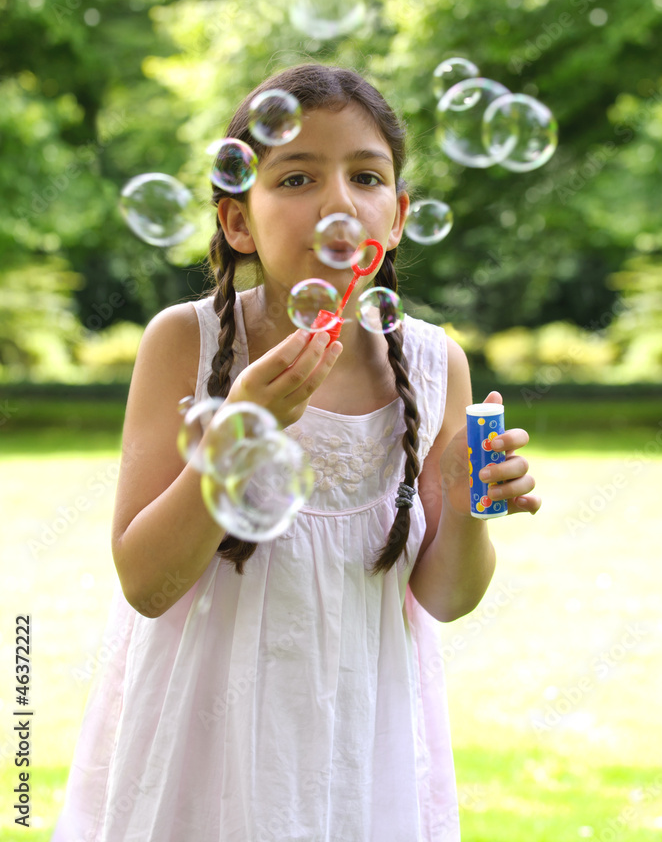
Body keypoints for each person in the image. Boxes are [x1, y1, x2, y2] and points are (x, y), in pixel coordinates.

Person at [52, 63, 540, 842]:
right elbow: (146, 582)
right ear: (238, 222)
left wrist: (468, 500)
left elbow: (446, 598)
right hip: (203, 730)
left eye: (367, 177)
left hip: (358, 729)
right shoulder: (187, 341)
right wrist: (243, 429)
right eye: (297, 178)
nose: (339, 204)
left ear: (399, 216)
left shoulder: (431, 361)